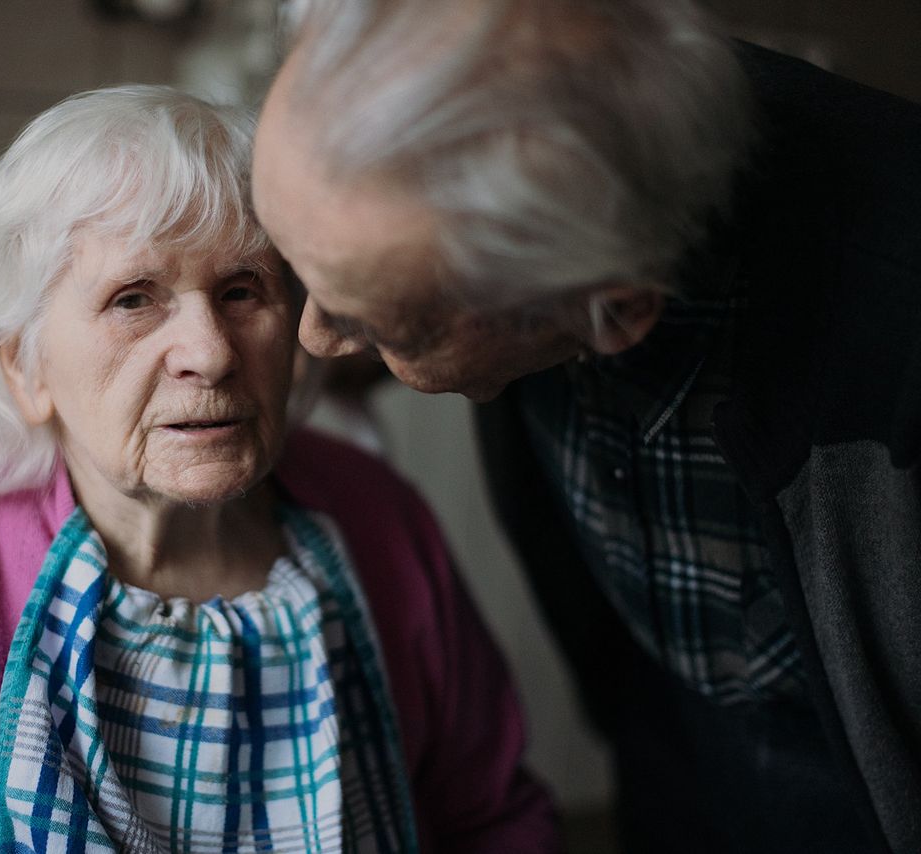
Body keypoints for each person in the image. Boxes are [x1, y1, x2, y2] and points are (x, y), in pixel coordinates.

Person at [0, 85, 557, 853]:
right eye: (134, 299)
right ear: (26, 367)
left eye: (244, 289)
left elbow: (493, 821)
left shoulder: (378, 518)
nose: (208, 350)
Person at [251, 1, 921, 852]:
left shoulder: (893, 324)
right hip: (667, 723)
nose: (312, 339)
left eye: (382, 326)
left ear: (610, 312)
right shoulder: (512, 121)